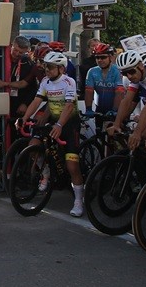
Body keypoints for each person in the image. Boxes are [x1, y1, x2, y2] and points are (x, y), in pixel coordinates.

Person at [19, 51, 85, 216]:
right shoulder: (45, 81)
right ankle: (46, 172)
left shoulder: (68, 82)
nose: (46, 69)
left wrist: (60, 124)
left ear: (61, 69)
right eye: (45, 66)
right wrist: (24, 118)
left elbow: (69, 106)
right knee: (33, 146)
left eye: (50, 67)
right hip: (54, 121)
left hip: (69, 125)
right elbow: (36, 101)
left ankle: (78, 200)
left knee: (72, 166)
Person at [82, 42, 122, 117]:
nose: (100, 60)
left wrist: (115, 110)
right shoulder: (92, 71)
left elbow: (119, 93)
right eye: (97, 58)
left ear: (110, 57)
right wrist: (88, 109)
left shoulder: (118, 71)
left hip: (117, 109)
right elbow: (89, 92)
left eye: (103, 57)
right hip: (99, 109)